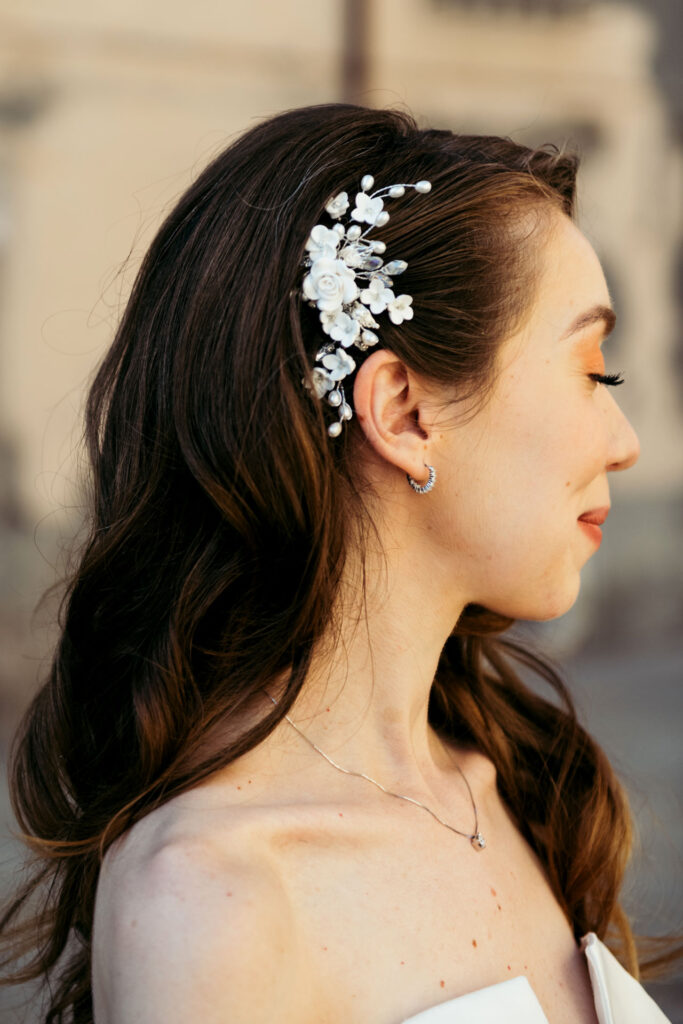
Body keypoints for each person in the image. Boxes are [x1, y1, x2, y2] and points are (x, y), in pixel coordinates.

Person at [0, 103, 676, 1023]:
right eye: (592, 370)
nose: (623, 440)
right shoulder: (213, 897)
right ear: (401, 411)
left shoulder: (516, 787)